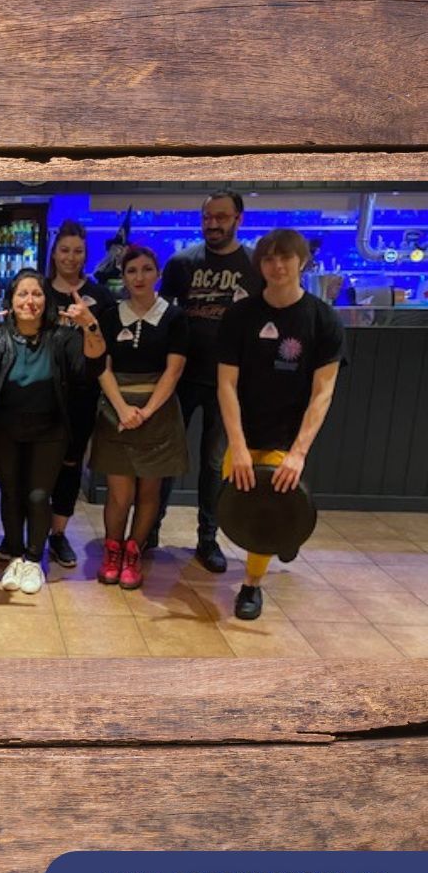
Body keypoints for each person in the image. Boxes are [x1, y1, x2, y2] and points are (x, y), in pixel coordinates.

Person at [217, 228, 344, 620]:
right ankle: (286, 533)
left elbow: (322, 392)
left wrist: (298, 453)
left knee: (265, 508)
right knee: (234, 496)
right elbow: (226, 384)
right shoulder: (240, 316)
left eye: (285, 257)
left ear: (301, 261)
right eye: (269, 259)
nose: (277, 266)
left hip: (287, 435)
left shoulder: (323, 319)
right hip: (244, 429)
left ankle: (251, 585)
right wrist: (238, 446)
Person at [0, 270, 105, 595]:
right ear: (11, 301)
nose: (30, 301)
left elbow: (93, 366)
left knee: (38, 495)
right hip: (4, 429)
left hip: (50, 429)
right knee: (11, 493)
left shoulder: (61, 337)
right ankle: (15, 553)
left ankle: (34, 559)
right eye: (22, 294)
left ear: (46, 300)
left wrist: (90, 325)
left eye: (37, 294)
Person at [156, 190, 262, 572]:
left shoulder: (256, 265)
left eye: (221, 217)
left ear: (239, 219)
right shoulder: (181, 263)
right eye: (207, 218)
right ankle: (149, 531)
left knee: (215, 464)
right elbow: (161, 318)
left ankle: (207, 539)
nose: (213, 224)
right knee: (166, 458)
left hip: (228, 385)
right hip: (181, 378)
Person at [91, 246, 190, 590]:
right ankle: (112, 550)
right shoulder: (109, 315)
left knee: (149, 490)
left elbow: (174, 371)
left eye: (147, 269)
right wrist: (122, 408)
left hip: (158, 412)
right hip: (116, 409)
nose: (139, 277)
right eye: (132, 270)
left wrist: (146, 411)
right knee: (119, 493)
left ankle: (134, 551)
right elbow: (102, 366)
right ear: (123, 276)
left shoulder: (175, 318)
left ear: (158, 274)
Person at [43, 220, 116, 568]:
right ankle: (30, 533)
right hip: (40, 393)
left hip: (82, 396)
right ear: (54, 253)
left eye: (77, 251)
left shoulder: (101, 296)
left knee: (70, 464)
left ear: (86, 255)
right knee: (38, 463)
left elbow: (107, 353)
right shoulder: (39, 291)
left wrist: (88, 322)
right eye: (64, 250)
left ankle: (58, 534)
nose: (70, 257)